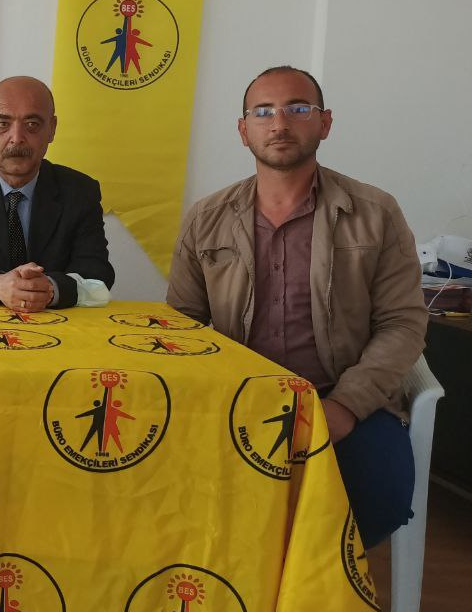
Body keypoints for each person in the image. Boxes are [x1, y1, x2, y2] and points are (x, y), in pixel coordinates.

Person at [167, 65, 427, 548]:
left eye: (298, 109)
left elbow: (403, 323)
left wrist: (344, 406)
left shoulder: (375, 212)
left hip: (344, 398)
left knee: (378, 500)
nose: (279, 123)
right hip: (235, 400)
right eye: (263, 112)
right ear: (243, 130)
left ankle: (319, 581)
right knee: (179, 496)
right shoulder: (206, 218)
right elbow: (182, 326)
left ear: (325, 123)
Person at [0, 76, 114, 310]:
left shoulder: (80, 191)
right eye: (2, 124)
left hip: (55, 323)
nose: (16, 138)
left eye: (32, 124)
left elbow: (97, 273)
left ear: (52, 129)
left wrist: (50, 289)